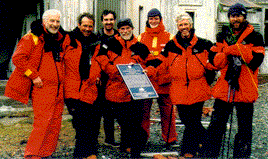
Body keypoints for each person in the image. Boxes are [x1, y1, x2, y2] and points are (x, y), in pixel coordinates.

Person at [4, 9, 70, 159]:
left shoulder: (59, 38)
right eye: (51, 21)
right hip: (43, 88)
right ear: (44, 22)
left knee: (55, 122)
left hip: (58, 89)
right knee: (42, 123)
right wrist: (33, 76)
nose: (55, 24)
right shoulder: (32, 38)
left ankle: (46, 152)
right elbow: (18, 58)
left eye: (57, 21)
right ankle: (32, 154)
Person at [203, 3, 265, 158]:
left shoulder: (256, 36)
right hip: (225, 87)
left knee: (244, 129)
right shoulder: (222, 35)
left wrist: (237, 49)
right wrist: (226, 53)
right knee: (216, 125)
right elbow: (213, 60)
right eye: (232, 15)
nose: (235, 19)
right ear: (229, 17)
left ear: (244, 16)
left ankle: (241, 156)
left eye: (238, 15)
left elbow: (257, 60)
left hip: (245, 88)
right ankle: (211, 154)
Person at [155, 12, 215, 158]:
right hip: (179, 89)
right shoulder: (171, 45)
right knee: (187, 120)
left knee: (193, 120)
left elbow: (213, 65)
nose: (183, 27)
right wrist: (148, 69)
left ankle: (187, 151)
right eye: (180, 25)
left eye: (186, 24)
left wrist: (207, 80)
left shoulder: (204, 44)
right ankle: (209, 142)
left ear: (191, 25)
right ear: (177, 26)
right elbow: (160, 62)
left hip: (198, 88)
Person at [94, 18, 150, 158]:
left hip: (135, 90)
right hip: (115, 89)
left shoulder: (140, 46)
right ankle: (126, 144)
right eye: (122, 29)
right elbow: (100, 58)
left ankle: (134, 150)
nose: (125, 31)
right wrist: (113, 70)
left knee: (135, 121)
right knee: (124, 121)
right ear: (118, 30)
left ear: (132, 28)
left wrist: (147, 70)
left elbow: (151, 62)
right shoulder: (109, 43)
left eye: (127, 28)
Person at [138, 8, 178, 145]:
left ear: (160, 19)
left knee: (167, 110)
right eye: (151, 19)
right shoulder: (141, 37)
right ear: (147, 20)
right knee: (143, 111)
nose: (153, 21)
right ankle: (142, 138)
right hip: (147, 80)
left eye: (156, 18)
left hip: (163, 80)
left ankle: (170, 138)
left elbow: (172, 58)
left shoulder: (170, 37)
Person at [64, 13, 100, 159]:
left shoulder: (96, 41)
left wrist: (96, 75)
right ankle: (80, 154)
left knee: (92, 122)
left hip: (90, 87)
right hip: (73, 88)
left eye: (90, 26)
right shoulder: (68, 39)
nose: (87, 28)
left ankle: (90, 152)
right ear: (79, 25)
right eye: (84, 25)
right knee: (80, 123)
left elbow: (99, 61)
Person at [95, 10, 120, 147]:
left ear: (114, 20)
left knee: (118, 109)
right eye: (106, 20)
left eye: (111, 19)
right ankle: (107, 138)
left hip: (116, 77)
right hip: (101, 78)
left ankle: (123, 138)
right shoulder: (97, 37)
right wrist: (97, 74)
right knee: (103, 110)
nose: (109, 22)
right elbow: (94, 58)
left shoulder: (119, 36)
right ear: (102, 21)